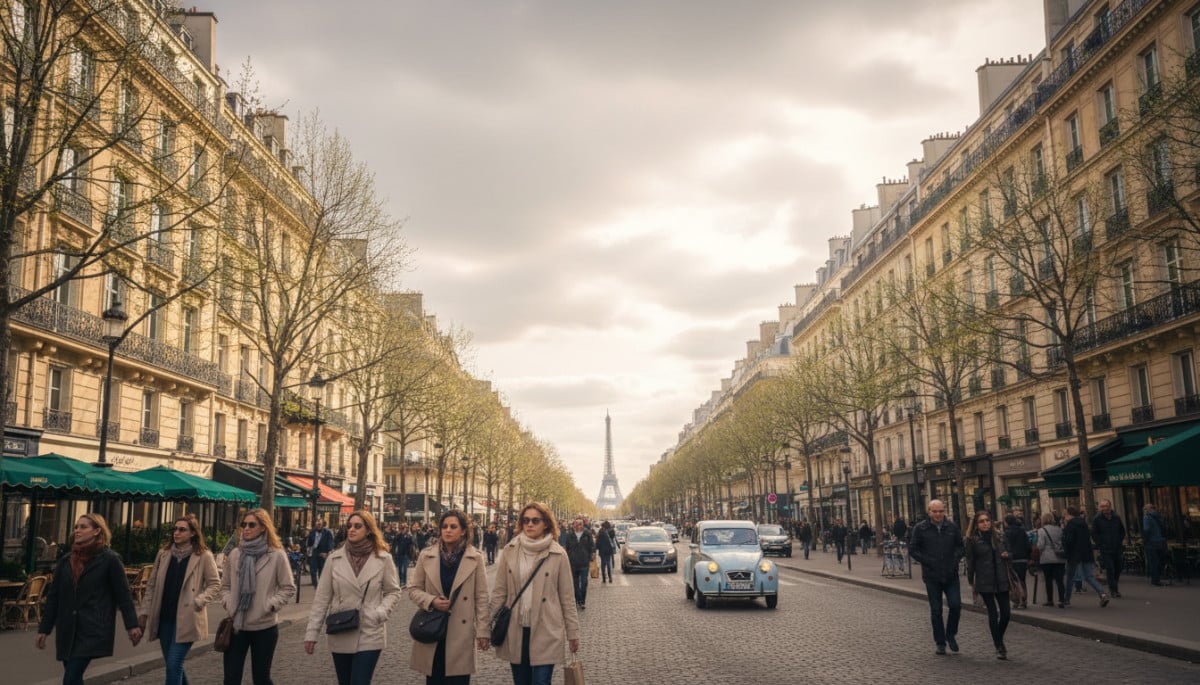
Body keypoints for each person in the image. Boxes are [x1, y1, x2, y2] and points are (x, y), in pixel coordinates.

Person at [36, 513, 142, 685]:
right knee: (74, 677)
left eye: (83, 527)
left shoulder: (110, 560)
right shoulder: (65, 561)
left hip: (93, 627)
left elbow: (123, 595)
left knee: (70, 678)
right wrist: (44, 629)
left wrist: (132, 625)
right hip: (67, 629)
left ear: (97, 531)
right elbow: (54, 597)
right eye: (76, 527)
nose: (77, 530)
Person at [305, 510, 402, 685]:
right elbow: (321, 599)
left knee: (359, 681)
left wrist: (380, 612)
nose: (352, 529)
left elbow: (393, 591)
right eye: (349, 526)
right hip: (341, 628)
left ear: (369, 530)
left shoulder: (383, 559)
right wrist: (312, 633)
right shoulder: (334, 559)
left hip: (370, 630)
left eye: (357, 526)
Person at [490, 502, 580, 685]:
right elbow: (499, 592)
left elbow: (567, 598)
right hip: (516, 629)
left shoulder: (558, 554)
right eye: (525, 520)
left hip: (546, 629)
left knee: (541, 682)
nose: (529, 524)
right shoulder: (510, 551)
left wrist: (573, 633)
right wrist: (483, 628)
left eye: (535, 520)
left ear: (546, 523)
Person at [138, 514, 222, 685]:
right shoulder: (164, 554)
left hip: (188, 617)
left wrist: (199, 601)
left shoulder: (203, 555)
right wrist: (145, 612)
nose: (176, 533)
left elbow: (215, 584)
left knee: (174, 664)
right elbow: (152, 585)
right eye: (175, 529)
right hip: (165, 618)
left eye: (182, 529)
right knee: (172, 664)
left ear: (192, 533)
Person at [407, 510, 489, 684]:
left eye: (453, 526)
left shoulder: (475, 558)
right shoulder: (426, 555)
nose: (448, 530)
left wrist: (483, 631)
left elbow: (481, 597)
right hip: (433, 629)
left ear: (463, 531)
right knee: (434, 679)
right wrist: (431, 601)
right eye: (444, 526)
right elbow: (413, 589)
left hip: (461, 633)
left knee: (458, 680)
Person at [220, 508, 296, 685]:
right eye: (244, 524)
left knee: (261, 679)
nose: (246, 528)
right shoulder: (235, 554)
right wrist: (229, 603)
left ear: (263, 527)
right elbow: (225, 586)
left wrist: (269, 605)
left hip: (264, 627)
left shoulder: (276, 555)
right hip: (236, 625)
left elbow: (288, 587)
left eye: (251, 525)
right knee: (230, 678)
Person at [907, 500, 964, 656]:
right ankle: (940, 642)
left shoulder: (952, 527)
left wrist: (955, 560)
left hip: (950, 574)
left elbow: (960, 546)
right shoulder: (920, 528)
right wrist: (927, 561)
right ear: (929, 512)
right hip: (932, 575)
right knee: (936, 610)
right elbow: (913, 549)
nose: (938, 514)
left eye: (941, 511)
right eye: (935, 511)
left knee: (955, 605)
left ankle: (951, 634)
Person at [965, 511, 1011, 659]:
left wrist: (1007, 555)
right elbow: (970, 562)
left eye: (987, 520)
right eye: (981, 521)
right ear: (976, 524)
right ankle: (999, 646)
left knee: (1006, 614)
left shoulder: (999, 537)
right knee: (993, 613)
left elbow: (1011, 552)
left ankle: (998, 638)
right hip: (985, 580)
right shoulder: (973, 540)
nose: (985, 523)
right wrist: (971, 581)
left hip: (1001, 578)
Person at [1062, 505, 1109, 608]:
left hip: (1074, 555)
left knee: (1070, 577)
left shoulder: (1070, 525)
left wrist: (1064, 546)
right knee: (1089, 577)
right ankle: (1102, 594)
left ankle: (1066, 599)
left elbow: (1069, 541)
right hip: (1086, 553)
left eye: (1065, 515)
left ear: (1069, 515)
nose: (1064, 517)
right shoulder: (1084, 524)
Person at [1091, 499, 1126, 598]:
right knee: (1110, 568)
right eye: (1102, 507)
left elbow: (1122, 531)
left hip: (1117, 547)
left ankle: (1114, 585)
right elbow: (1094, 533)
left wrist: (1119, 540)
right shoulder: (1097, 519)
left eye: (1106, 506)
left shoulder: (1116, 517)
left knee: (1118, 568)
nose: (1104, 508)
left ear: (1110, 506)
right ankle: (1113, 590)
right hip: (1105, 549)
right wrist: (1100, 543)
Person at [1035, 512, 1067, 608]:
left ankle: (1050, 600)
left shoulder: (1041, 530)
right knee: (1059, 580)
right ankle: (1061, 599)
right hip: (1059, 557)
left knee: (1048, 579)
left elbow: (1040, 545)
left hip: (1047, 558)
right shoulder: (1059, 529)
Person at [562, 517, 594, 609]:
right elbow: (566, 547)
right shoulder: (569, 535)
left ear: (583, 525)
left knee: (584, 583)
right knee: (574, 584)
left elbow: (592, 545)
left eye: (580, 524)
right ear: (574, 525)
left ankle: (582, 600)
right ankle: (579, 600)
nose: (578, 525)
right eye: (576, 524)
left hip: (584, 562)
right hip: (573, 563)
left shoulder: (587, 534)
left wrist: (592, 554)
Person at [1002, 513, 1030, 609]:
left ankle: (1017, 600)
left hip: (1012, 559)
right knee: (1022, 580)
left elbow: (1005, 546)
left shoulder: (1006, 533)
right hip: (1023, 559)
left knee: (1013, 581)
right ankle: (1024, 600)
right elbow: (1027, 545)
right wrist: (1028, 556)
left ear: (1006, 522)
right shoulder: (1022, 531)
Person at [1142, 503, 1168, 586]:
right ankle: (1159, 576)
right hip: (1161, 541)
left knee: (1153, 561)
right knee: (1160, 560)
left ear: (1148, 509)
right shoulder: (1159, 516)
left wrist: (1145, 540)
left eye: (1145, 509)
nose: (1144, 511)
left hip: (1151, 542)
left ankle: (1155, 580)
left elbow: (1146, 529)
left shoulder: (1147, 517)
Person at [307, 518, 335, 588]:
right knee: (313, 571)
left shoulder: (328, 532)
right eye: (317, 523)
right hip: (314, 552)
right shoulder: (312, 532)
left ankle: (321, 587)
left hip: (323, 553)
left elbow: (330, 543)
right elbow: (309, 543)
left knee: (321, 571)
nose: (318, 525)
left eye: (320, 524)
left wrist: (327, 552)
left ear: (322, 524)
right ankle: (316, 586)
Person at [390, 523, 414, 587]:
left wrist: (408, 538)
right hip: (399, 554)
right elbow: (394, 545)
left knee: (405, 569)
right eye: (402, 528)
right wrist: (393, 553)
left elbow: (411, 544)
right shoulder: (398, 536)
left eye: (404, 528)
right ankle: (401, 581)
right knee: (400, 569)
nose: (403, 530)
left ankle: (405, 582)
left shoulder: (409, 536)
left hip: (406, 554)